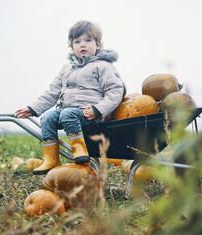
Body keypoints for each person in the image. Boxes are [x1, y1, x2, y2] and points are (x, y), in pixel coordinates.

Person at [15, 20, 125, 175]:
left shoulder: (103, 66)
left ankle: (80, 150)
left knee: (68, 114)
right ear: (72, 46)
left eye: (88, 40)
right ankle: (51, 158)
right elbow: (52, 92)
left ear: (98, 44)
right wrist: (32, 108)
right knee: (47, 117)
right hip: (67, 113)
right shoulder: (66, 69)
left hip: (89, 114)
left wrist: (98, 109)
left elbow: (115, 91)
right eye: (77, 41)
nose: (82, 45)